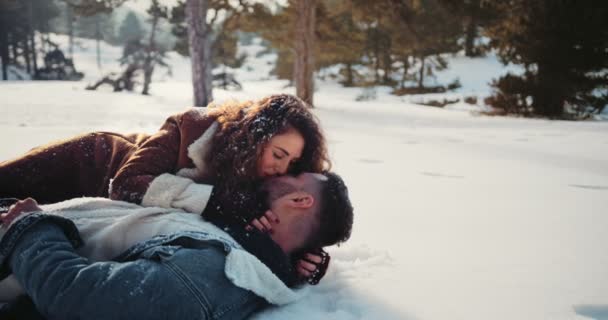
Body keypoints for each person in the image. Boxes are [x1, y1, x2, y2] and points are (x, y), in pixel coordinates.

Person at [0, 93, 330, 282]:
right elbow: (127, 185)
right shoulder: (191, 126)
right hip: (92, 161)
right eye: (279, 154)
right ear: (256, 139)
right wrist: (216, 200)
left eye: (292, 164)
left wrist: (303, 256)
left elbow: (280, 223)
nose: (281, 169)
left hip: (95, 215)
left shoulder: (265, 185)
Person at [0, 171, 354, 320]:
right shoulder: (235, 241)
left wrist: (29, 226)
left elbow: (75, 296)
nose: (278, 174)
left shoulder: (216, 274)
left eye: (293, 175)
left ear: (300, 200)